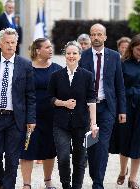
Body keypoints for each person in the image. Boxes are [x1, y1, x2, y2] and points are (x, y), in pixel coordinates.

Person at [0, 28, 36, 189]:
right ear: (0, 44)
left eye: (13, 42)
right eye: (7, 42)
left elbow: (30, 95)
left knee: (12, 158)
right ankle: (1, 182)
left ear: (17, 44)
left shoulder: (25, 65)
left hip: (15, 119)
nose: (10, 46)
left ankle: (8, 186)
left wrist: (31, 119)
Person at [79, 23, 127, 189]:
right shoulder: (83, 56)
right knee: (91, 145)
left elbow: (119, 84)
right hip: (87, 108)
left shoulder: (114, 57)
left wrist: (122, 110)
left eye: (100, 34)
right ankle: (95, 175)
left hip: (107, 107)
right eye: (93, 34)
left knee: (103, 145)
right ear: (90, 37)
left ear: (105, 37)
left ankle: (98, 183)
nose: (96, 37)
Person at [48, 41, 98, 189]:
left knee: (80, 158)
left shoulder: (87, 76)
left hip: (81, 124)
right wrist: (63, 103)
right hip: (60, 124)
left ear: (80, 56)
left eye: (74, 53)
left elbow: (91, 100)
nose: (71, 56)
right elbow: (50, 98)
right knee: (63, 157)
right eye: (68, 53)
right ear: (65, 55)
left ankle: (76, 186)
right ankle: (66, 185)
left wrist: (93, 123)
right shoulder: (56, 76)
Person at [110, 34, 140, 189]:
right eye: (138, 49)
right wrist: (120, 109)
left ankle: (133, 178)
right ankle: (123, 171)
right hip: (126, 106)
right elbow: (118, 88)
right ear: (131, 48)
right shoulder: (122, 63)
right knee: (125, 140)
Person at [20, 38, 62, 189]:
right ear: (38, 50)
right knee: (27, 150)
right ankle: (26, 184)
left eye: (51, 47)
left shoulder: (57, 68)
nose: (51, 49)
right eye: (47, 47)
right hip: (30, 116)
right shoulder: (26, 68)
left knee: (50, 150)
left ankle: (48, 181)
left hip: (51, 116)